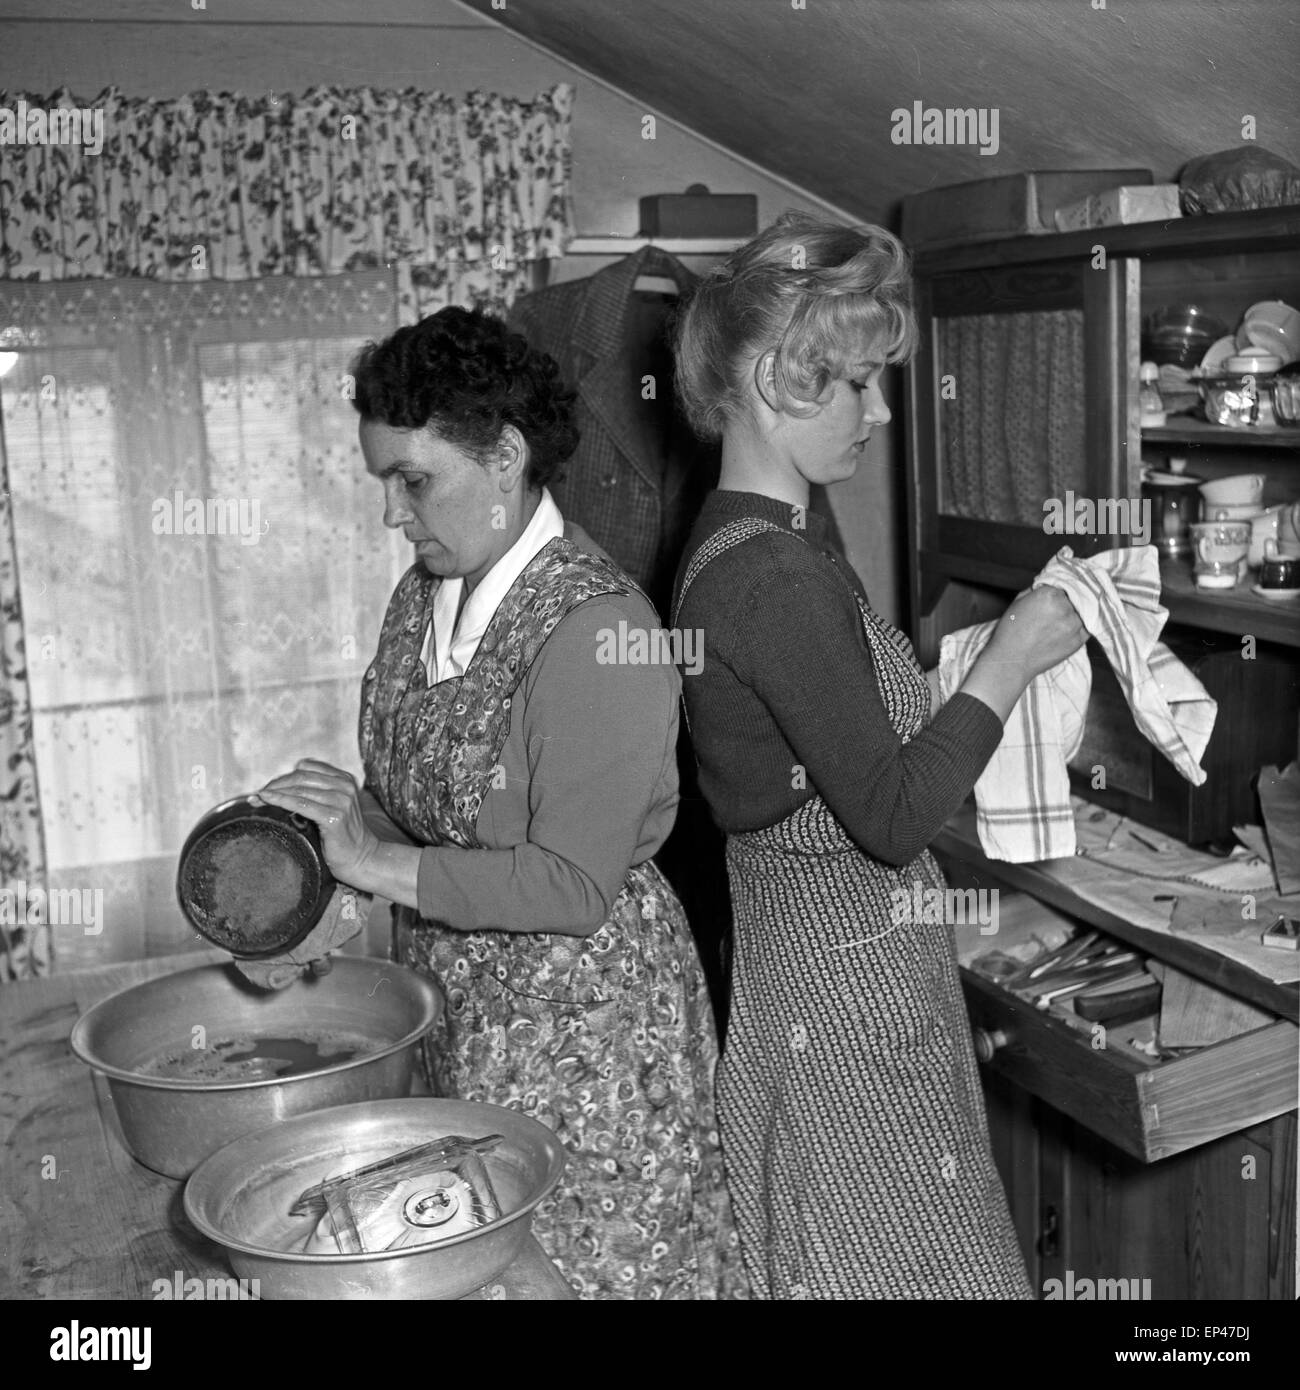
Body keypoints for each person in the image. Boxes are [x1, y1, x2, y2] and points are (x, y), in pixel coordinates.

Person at [256, 306, 744, 1301]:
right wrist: (325, 866)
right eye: (387, 483)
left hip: (596, 1039)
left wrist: (373, 863)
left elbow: (568, 884)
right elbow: (427, 819)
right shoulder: (423, 597)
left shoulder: (601, 629)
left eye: (415, 481)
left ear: (509, 455)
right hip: (465, 1014)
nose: (395, 512)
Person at [670, 211, 1088, 1299]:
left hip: (817, 973)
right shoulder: (774, 578)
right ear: (774, 379)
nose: (883, 409)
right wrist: (1010, 657)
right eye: (857, 382)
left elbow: (827, 774)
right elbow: (892, 816)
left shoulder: (734, 540)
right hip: (850, 1010)